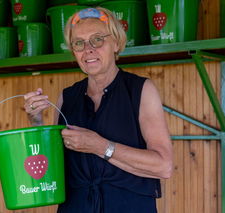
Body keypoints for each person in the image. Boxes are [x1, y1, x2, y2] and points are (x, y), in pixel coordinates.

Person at [24, 7, 173, 213]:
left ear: (116, 43)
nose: (88, 49)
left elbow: (163, 166)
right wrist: (36, 121)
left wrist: (100, 146)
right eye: (79, 43)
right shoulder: (67, 97)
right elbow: (50, 169)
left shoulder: (140, 90)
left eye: (97, 39)